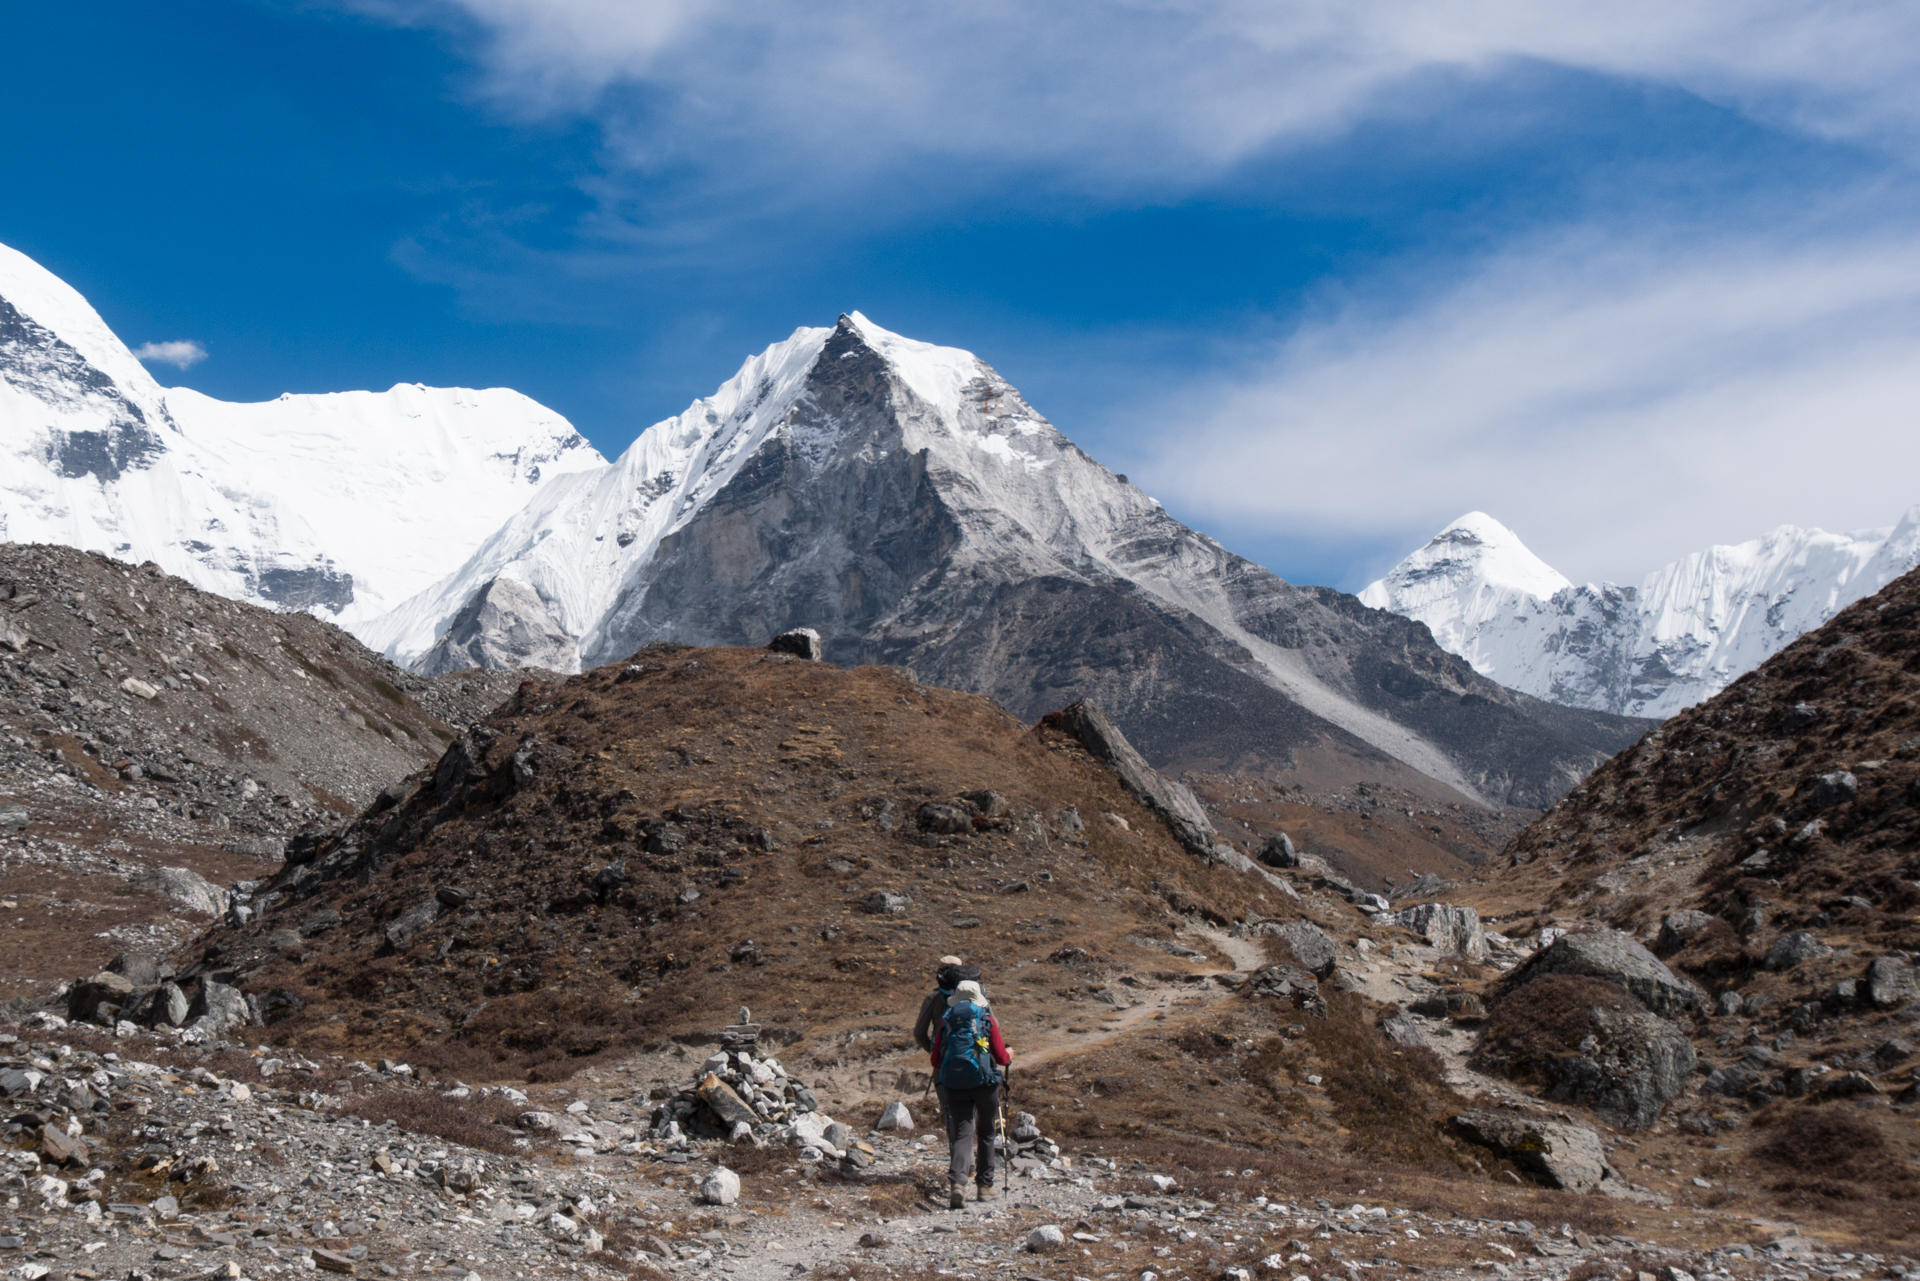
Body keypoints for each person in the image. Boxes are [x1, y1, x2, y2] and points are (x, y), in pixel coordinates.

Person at [929, 978, 1011, 1208]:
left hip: (954, 1085)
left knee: (963, 1133)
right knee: (985, 1133)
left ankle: (958, 1184)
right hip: (984, 1084)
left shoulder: (946, 1022)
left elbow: (936, 1061)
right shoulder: (986, 1019)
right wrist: (1009, 1053)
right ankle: (984, 1187)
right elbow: (1002, 1058)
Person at [913, 955, 979, 1131]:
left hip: (944, 1062)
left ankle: (957, 1153)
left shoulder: (934, 997)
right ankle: (974, 1152)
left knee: (951, 1114)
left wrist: (935, 1051)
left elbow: (919, 1033)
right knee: (972, 1114)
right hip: (974, 1059)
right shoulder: (976, 994)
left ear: (939, 973)